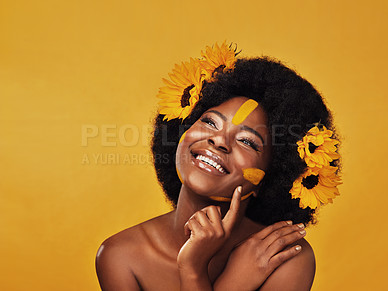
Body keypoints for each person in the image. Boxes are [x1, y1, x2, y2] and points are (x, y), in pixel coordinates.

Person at [95, 42, 342, 291]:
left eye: (247, 141)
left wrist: (192, 271)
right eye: (210, 122)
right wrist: (219, 279)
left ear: (271, 177)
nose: (219, 140)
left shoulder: (284, 257)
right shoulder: (121, 255)